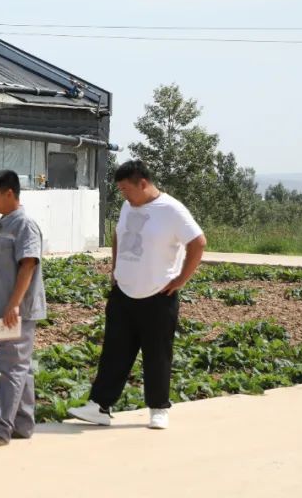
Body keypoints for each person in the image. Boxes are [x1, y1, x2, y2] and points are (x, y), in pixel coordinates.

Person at [68, 160, 206, 430]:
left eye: (125, 188)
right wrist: (115, 269)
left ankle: (158, 409)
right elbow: (119, 235)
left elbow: (198, 242)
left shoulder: (172, 209)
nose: (123, 195)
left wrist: (181, 279)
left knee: (157, 353)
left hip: (158, 295)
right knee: (113, 351)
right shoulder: (128, 206)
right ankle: (99, 406)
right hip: (123, 292)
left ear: (143, 183)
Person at [0, 169, 47, 448]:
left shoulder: (24, 225)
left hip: (17, 311)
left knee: (10, 368)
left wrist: (13, 305)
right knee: (20, 368)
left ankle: (1, 430)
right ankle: (23, 424)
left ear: (9, 193)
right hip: (6, 309)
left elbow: (28, 264)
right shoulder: (6, 224)